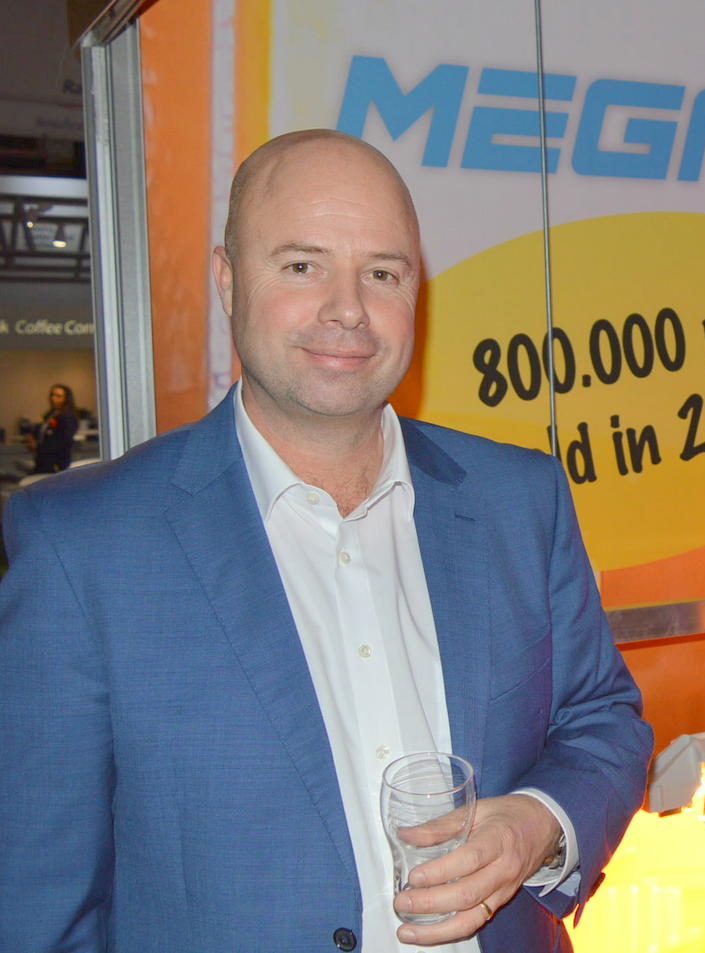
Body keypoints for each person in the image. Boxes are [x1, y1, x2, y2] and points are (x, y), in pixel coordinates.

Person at [0, 130, 653, 953]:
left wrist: (538, 824)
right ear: (228, 280)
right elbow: (40, 906)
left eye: (382, 273)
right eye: (303, 265)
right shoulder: (84, 547)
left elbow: (603, 718)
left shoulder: (521, 500)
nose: (348, 308)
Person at [24, 382, 79, 472]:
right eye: (52, 395)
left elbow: (63, 442)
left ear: (66, 399)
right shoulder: (51, 414)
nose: (53, 398)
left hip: (56, 463)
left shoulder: (68, 417)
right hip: (43, 460)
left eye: (58, 396)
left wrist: (37, 447)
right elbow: (42, 431)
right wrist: (31, 436)